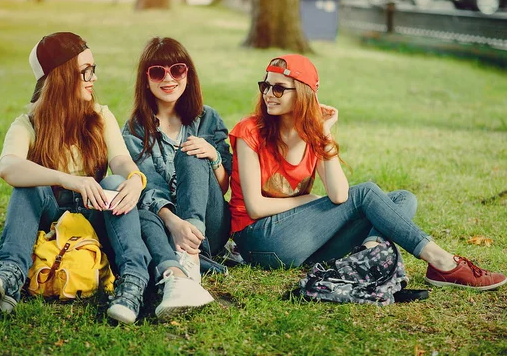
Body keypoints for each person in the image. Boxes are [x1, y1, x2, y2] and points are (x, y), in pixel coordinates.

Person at [228, 53, 506, 291]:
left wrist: (323, 134)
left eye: (278, 89)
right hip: (259, 240)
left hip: (302, 243)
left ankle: (369, 252)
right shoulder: (250, 130)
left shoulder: (312, 135)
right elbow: (255, 207)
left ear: (302, 93)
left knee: (402, 199)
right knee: (367, 194)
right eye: (265, 85)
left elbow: (338, 194)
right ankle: (443, 262)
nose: (267, 94)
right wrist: (308, 199)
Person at [0, 32, 152, 324]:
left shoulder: (99, 115)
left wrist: (133, 178)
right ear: (61, 77)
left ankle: (132, 284)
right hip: (53, 222)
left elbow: (119, 160)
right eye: (86, 71)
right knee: (28, 187)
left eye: (93, 69)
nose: (93, 78)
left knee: (113, 184)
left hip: (94, 217)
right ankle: (9, 278)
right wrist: (70, 180)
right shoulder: (28, 124)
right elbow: (8, 167)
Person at [122, 37, 233, 318]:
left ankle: (189, 260)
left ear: (188, 74)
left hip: (209, 228)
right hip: (163, 228)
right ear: (146, 79)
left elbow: (222, 187)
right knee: (138, 208)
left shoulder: (208, 119)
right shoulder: (135, 130)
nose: (168, 79)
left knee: (192, 153)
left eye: (177, 70)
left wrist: (214, 157)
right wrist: (174, 224)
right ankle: (179, 268)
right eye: (157, 72)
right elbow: (147, 188)